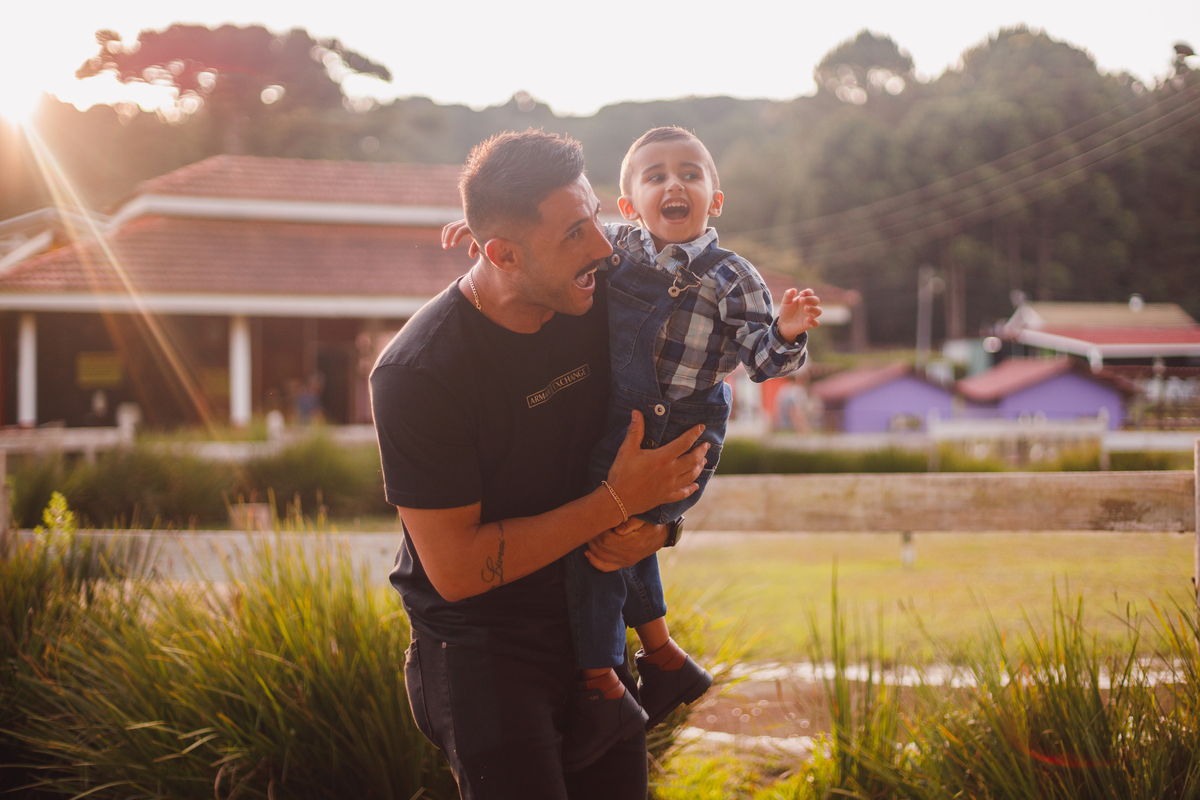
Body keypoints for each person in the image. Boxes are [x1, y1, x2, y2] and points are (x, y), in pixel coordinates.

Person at [442, 126, 822, 769]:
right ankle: (664, 657)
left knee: (595, 548)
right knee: (620, 539)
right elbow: (541, 245)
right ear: (628, 205)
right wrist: (486, 235)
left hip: (683, 428)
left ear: (715, 199)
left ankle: (602, 685)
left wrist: (785, 331)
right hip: (625, 417)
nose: (675, 184)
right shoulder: (618, 248)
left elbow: (762, 363)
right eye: (656, 176)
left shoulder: (733, 277)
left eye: (690, 174)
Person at [370, 130, 710, 800]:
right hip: (482, 649)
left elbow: (694, 366)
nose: (603, 247)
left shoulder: (599, 293)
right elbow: (458, 570)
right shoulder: (418, 372)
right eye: (576, 233)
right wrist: (614, 504)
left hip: (593, 625)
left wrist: (659, 526)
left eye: (595, 219)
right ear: (502, 254)